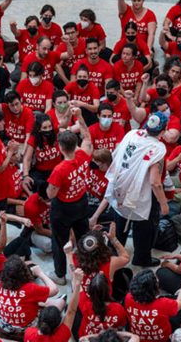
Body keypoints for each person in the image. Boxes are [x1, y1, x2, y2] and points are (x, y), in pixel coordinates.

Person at [91, 112, 171, 268]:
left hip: (120, 186)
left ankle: (115, 256)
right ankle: (141, 258)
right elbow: (155, 182)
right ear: (163, 131)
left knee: (119, 223)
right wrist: (164, 204)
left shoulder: (132, 133)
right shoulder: (158, 148)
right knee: (145, 228)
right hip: (141, 193)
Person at [46, 107, 92, 284]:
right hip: (81, 201)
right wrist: (79, 116)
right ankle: (86, 268)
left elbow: (51, 194)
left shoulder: (59, 170)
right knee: (83, 237)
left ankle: (59, 275)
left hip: (63, 208)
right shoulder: (83, 154)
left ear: (60, 147)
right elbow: (87, 137)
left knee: (60, 241)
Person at [124, 269, 181, 342]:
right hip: (162, 338)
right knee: (178, 305)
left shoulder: (128, 297)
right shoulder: (163, 303)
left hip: (137, 335)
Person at [24, 269, 83, 342]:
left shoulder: (29, 332)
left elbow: (71, 311)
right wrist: (77, 285)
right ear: (58, 325)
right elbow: (71, 311)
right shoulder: (60, 337)